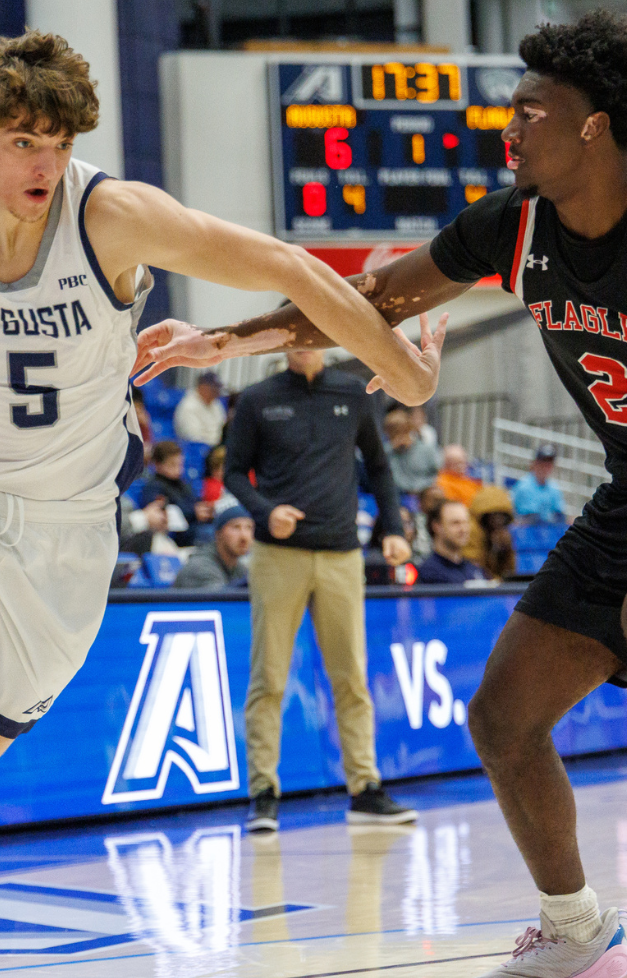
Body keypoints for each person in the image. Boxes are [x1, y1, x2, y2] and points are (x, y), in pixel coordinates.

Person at [136, 11, 627, 978]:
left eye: (528, 110)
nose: (508, 128)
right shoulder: (513, 226)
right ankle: (578, 933)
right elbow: (368, 300)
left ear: (591, 124)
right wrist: (219, 343)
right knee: (501, 719)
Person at [0, 29, 440, 978]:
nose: (45, 161)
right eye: (23, 139)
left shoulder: (114, 216)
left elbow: (290, 266)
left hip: (66, 535)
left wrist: (402, 372)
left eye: (59, 141)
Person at [222, 348, 417, 834]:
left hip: (341, 554)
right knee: (268, 677)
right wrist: (266, 511)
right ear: (283, 339)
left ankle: (364, 789)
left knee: (351, 677)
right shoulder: (257, 398)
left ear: (326, 337)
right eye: (294, 331)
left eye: (312, 330)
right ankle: (263, 792)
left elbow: (379, 465)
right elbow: (231, 472)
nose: (303, 341)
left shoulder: (352, 392)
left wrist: (392, 527)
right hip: (277, 555)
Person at [132, 440, 207, 546]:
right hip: (177, 535)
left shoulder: (182, 484)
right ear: (158, 464)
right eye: (172, 465)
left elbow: (194, 501)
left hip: (194, 528)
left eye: (180, 464)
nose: (178, 470)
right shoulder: (153, 487)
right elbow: (163, 515)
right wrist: (194, 512)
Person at [173, 505, 253, 589]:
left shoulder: (239, 568)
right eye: (236, 527)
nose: (244, 536)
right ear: (218, 534)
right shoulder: (200, 567)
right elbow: (220, 600)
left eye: (249, 528)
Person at [414, 500, 487, 584]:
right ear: (436, 526)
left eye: (466, 522)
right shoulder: (426, 573)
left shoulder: (474, 570)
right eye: (455, 523)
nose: (463, 529)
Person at [382, 405, 442, 495]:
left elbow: (438, 474)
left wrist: (423, 487)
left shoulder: (426, 449)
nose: (399, 436)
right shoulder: (385, 452)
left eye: (403, 431)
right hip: (397, 495)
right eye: (394, 433)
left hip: (424, 493)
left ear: (410, 429)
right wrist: (392, 449)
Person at [510, 445, 568, 524]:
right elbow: (528, 518)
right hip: (528, 531)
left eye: (549, 464)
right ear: (535, 463)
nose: (545, 467)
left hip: (547, 531)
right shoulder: (524, 486)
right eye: (542, 463)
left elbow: (560, 515)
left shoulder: (554, 488)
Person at [171, 372, 227, 445]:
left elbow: (223, 426)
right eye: (213, 388)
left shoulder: (216, 404)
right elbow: (193, 437)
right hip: (195, 449)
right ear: (203, 387)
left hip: (216, 446)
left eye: (217, 388)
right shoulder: (188, 406)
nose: (217, 392)